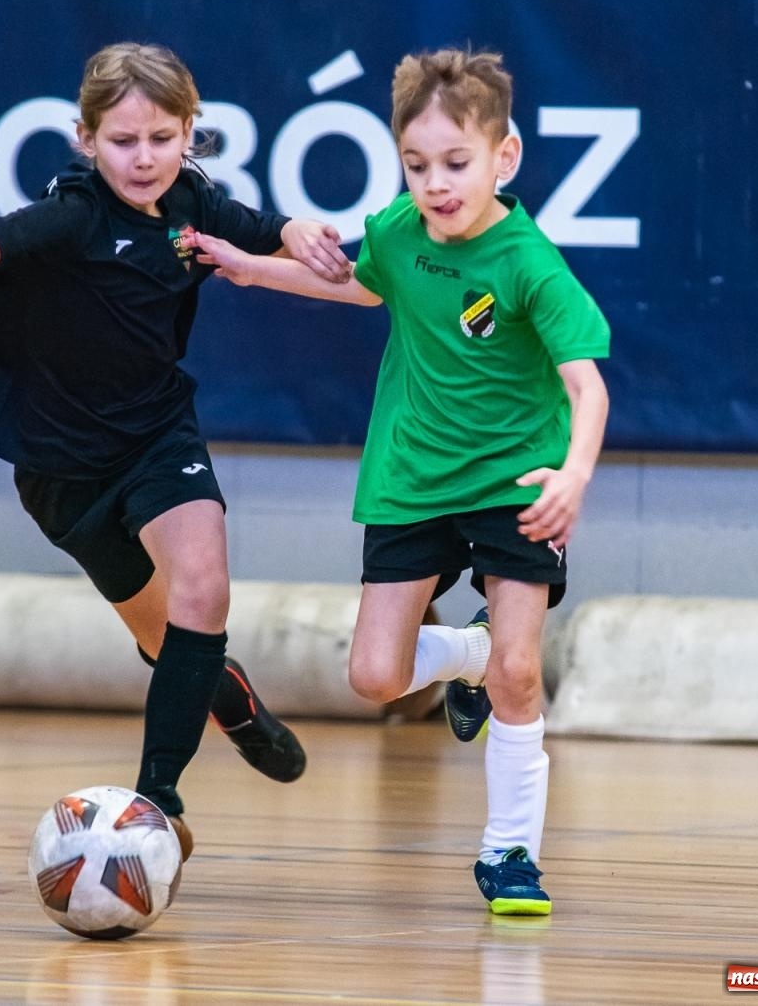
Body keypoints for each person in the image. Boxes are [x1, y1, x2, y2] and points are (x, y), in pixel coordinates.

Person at [0, 42, 353, 859]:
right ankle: (228, 696)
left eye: (161, 138)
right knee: (163, 641)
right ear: (85, 139)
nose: (144, 158)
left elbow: (266, 230)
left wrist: (299, 229)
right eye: (122, 141)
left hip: (157, 433)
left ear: (189, 131)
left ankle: (156, 801)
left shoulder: (195, 201)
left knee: (205, 585)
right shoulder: (74, 214)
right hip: (61, 469)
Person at [182, 47, 611, 913]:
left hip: (517, 483)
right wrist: (248, 262)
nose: (437, 183)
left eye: (456, 163)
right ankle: (472, 655)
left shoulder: (530, 264)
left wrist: (571, 475)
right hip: (412, 479)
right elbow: (359, 287)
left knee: (521, 673)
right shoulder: (398, 233)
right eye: (417, 165)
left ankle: (509, 853)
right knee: (376, 677)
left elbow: (586, 386)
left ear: (505, 156)